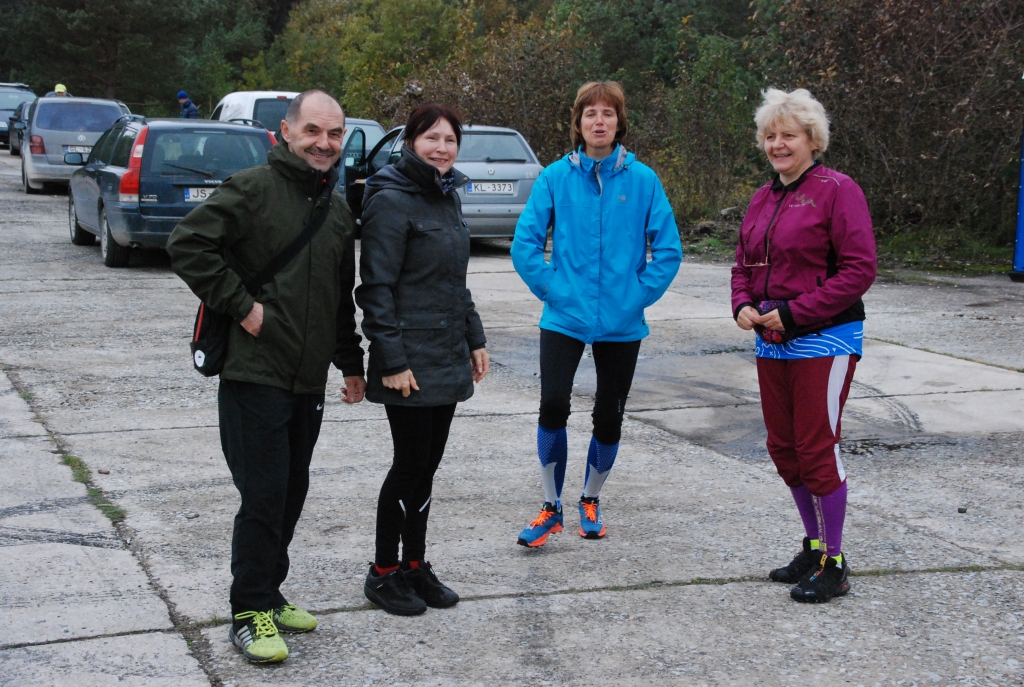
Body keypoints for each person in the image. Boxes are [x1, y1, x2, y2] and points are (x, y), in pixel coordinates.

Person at [166, 90, 366, 663]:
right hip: (255, 373)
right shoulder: (253, 189)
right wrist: (243, 307)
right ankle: (249, 610)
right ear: (286, 131)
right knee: (263, 494)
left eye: (334, 134)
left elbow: (336, 296)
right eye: (313, 132)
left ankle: (270, 595)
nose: (323, 143)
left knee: (292, 489)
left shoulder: (336, 205)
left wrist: (349, 361)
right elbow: (188, 244)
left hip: (307, 378)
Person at [511, 81, 682, 547]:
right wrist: (555, 289)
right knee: (553, 405)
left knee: (609, 414)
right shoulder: (554, 178)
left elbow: (667, 249)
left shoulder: (644, 180)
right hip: (564, 317)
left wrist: (636, 296)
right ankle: (551, 506)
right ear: (579, 123)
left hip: (622, 323)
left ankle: (590, 498)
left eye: (608, 113)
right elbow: (525, 246)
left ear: (619, 122)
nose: (599, 121)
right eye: (590, 114)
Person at [731, 88, 876, 603]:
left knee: (816, 448)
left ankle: (835, 562)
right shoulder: (762, 196)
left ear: (813, 140)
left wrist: (794, 312)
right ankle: (813, 546)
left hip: (826, 338)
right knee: (784, 448)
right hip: (772, 342)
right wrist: (742, 304)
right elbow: (743, 264)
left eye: (788, 135)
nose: (777, 144)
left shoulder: (839, 190)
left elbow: (860, 270)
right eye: (770, 136)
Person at [356, 103, 489, 616]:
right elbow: (376, 289)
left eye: (450, 140)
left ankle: (415, 565)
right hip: (407, 359)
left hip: (446, 353)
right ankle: (383, 571)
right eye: (431, 138)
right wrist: (390, 359)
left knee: (428, 467)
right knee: (409, 465)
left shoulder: (446, 194)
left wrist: (474, 337)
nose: (441, 147)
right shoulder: (390, 199)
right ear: (410, 141)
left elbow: (454, 281)